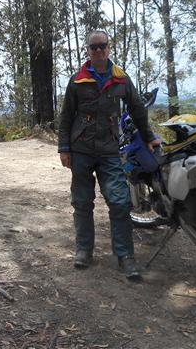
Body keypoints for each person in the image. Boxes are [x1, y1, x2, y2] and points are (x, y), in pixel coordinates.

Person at [58, 30, 162, 280]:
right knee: (82, 202)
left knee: (119, 202)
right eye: (93, 47)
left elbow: (137, 109)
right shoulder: (77, 80)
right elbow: (66, 116)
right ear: (87, 51)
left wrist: (149, 137)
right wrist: (64, 148)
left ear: (109, 47)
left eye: (102, 46)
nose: (98, 50)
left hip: (109, 150)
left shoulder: (121, 78)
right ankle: (84, 250)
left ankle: (125, 256)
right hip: (81, 149)